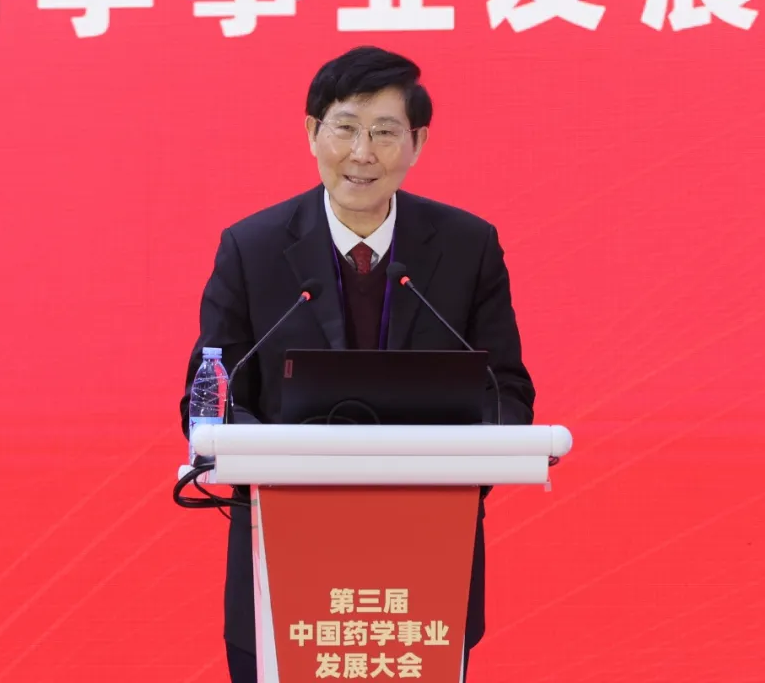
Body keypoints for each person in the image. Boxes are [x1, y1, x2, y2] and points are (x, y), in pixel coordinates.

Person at [180, 45, 536, 683]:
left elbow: (506, 390)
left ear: (418, 142)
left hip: (428, 553)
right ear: (312, 132)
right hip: (281, 553)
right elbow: (212, 396)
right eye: (345, 128)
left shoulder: (468, 246)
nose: (362, 153)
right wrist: (273, 464)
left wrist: (464, 462)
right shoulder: (251, 248)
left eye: (385, 132)